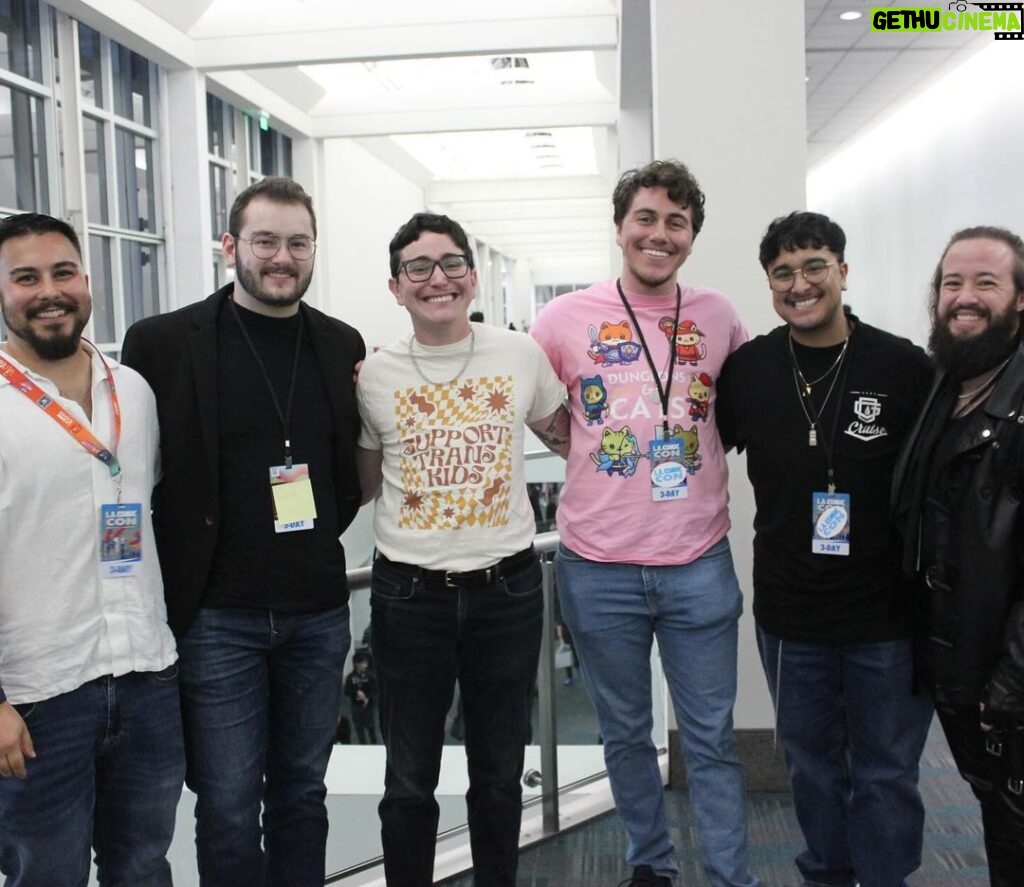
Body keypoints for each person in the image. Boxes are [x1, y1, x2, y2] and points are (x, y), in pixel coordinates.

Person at [121, 176, 365, 886]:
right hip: (216, 617)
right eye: (265, 241)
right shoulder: (162, 342)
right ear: (232, 246)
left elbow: (348, 476)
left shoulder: (338, 343)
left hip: (317, 612)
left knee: (302, 793)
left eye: (297, 243)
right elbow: (138, 473)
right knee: (227, 804)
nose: (281, 257)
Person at [530, 159, 759, 887]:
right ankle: (650, 866)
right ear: (622, 225)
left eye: (676, 222)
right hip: (597, 566)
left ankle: (730, 876)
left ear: (691, 235)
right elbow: (545, 413)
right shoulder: (563, 318)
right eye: (646, 219)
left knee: (712, 739)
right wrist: (593, 451)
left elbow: (741, 408)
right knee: (626, 734)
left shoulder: (720, 316)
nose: (659, 235)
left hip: (697, 559)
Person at [716, 211, 934, 887]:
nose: (799, 283)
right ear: (769, 284)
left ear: (843, 271)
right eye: (783, 272)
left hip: (887, 613)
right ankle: (828, 875)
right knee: (809, 764)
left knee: (886, 770)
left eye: (814, 265)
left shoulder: (901, 365)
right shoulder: (749, 369)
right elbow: (693, 458)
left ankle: (886, 877)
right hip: (791, 614)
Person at [356, 212, 569, 887]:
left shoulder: (519, 354)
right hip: (408, 595)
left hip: (505, 590)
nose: (437, 278)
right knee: (410, 779)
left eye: (451, 264)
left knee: (500, 774)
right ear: (396, 287)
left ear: (473, 278)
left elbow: (569, 437)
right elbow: (365, 483)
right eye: (418, 267)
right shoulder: (373, 375)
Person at [0, 212, 183, 885]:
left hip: (146, 677)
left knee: (143, 867)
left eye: (62, 272)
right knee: (46, 874)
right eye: (25, 277)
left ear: (87, 281)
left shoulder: (132, 389)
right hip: (38, 694)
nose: (49, 290)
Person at [893, 226, 1024, 886]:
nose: (963, 297)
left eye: (985, 283)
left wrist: (1011, 681)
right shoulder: (946, 379)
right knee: (998, 815)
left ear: (1020, 298)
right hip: (960, 660)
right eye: (952, 283)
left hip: (1010, 674)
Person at [343, 652, 377, 744]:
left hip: (368, 706)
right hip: (356, 706)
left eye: (366, 663)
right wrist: (356, 692)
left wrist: (367, 697)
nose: (365, 666)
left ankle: (374, 745)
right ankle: (363, 746)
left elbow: (375, 689)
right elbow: (346, 691)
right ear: (357, 664)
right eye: (363, 663)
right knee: (359, 728)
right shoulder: (350, 678)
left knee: (371, 727)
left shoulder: (370, 676)